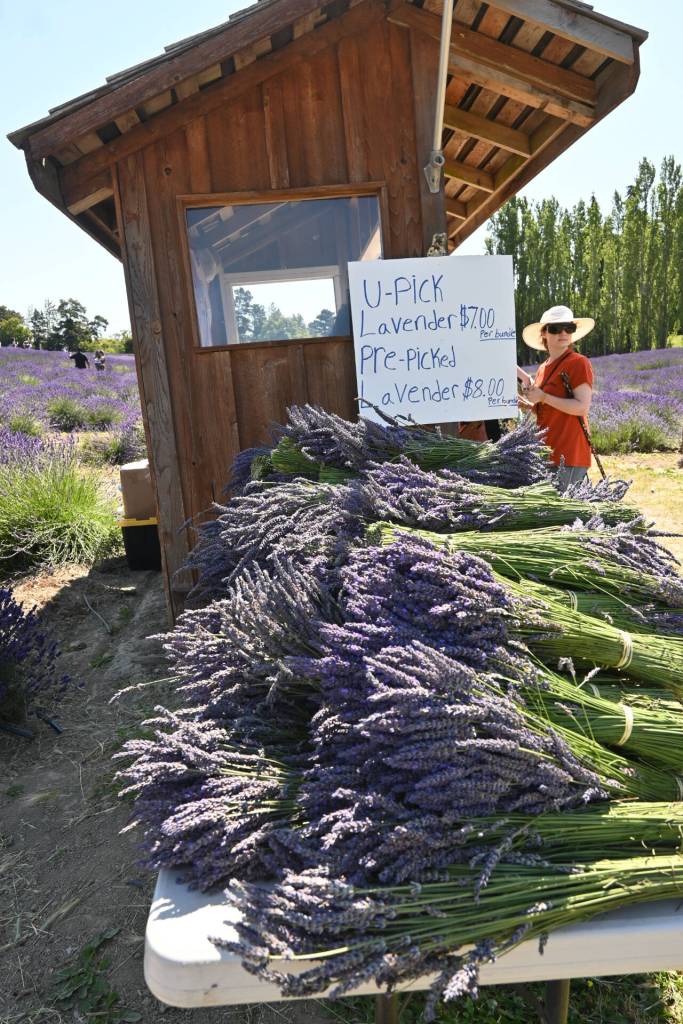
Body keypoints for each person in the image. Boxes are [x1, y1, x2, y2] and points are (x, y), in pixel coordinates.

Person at [519, 304, 595, 492]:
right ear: (544, 333)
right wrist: (530, 406)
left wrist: (543, 396)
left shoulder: (578, 362)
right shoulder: (543, 367)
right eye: (555, 328)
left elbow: (581, 407)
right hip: (548, 450)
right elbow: (548, 409)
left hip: (570, 451)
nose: (563, 333)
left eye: (568, 328)